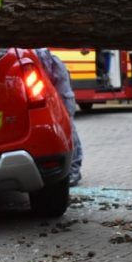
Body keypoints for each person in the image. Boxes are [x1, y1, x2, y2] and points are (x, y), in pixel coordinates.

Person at [35, 48, 83, 186]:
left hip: (58, 84)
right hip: (56, 81)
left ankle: (74, 170)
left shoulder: (38, 52)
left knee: (67, 125)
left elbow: (45, 72)